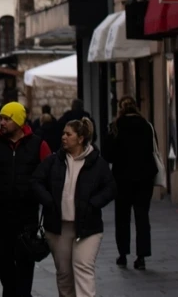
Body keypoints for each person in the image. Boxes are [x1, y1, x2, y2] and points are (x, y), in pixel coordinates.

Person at [0, 102, 52, 297]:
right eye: (1, 118)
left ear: (18, 121)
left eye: (7, 119)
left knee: (26, 261)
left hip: (27, 214)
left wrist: (40, 194)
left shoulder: (38, 145)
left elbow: (50, 173)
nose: (2, 122)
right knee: (4, 262)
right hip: (0, 214)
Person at [32, 117, 116, 297]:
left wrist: (94, 203)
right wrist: (48, 201)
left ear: (80, 138)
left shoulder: (97, 163)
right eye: (63, 133)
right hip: (58, 227)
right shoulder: (53, 161)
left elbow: (110, 188)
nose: (63, 137)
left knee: (83, 267)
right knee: (64, 273)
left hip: (88, 227)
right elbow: (36, 181)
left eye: (68, 134)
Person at [102, 96, 157, 270]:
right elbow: (152, 149)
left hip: (122, 178)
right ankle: (142, 256)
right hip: (144, 178)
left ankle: (123, 254)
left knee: (122, 217)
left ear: (120, 108)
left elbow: (107, 154)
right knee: (142, 217)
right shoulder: (146, 126)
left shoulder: (115, 127)